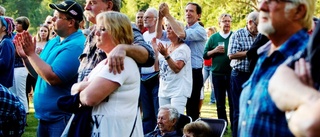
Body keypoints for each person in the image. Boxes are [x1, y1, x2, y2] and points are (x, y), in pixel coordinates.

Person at [238, 0, 316, 136]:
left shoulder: (310, 60)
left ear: (298, 11)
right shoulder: (263, 54)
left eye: (273, 1)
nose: (261, 6)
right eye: (262, 1)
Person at [14, 1, 85, 136]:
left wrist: (31, 54)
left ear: (71, 22)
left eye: (57, 16)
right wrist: (26, 58)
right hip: (46, 118)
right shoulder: (54, 41)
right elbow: (39, 73)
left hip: (61, 118)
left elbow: (53, 77)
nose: (52, 19)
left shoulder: (76, 45)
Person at [68, 11, 143, 137]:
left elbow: (89, 98)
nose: (96, 33)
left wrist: (82, 87)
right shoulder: (102, 64)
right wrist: (80, 87)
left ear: (117, 32)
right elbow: (74, 90)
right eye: (97, 29)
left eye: (102, 29)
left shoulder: (121, 63)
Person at [78, 0, 155, 82]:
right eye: (86, 3)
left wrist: (123, 48)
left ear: (109, 5)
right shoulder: (93, 32)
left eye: (92, 3)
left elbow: (148, 56)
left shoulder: (123, 28)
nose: (86, 7)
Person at [157, 2, 207, 121]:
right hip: (180, 75)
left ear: (198, 15)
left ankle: (192, 133)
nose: (188, 13)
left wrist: (168, 15)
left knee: (192, 110)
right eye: (186, 11)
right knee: (173, 113)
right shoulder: (181, 27)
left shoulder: (200, 30)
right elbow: (159, 34)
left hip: (194, 73)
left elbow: (180, 34)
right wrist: (160, 18)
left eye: (191, 11)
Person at [227, 11, 258, 137]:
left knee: (253, 108)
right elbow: (231, 55)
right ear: (250, 22)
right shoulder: (237, 35)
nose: (259, 28)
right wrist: (251, 52)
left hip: (254, 75)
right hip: (239, 75)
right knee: (238, 109)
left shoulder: (261, 35)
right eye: (258, 25)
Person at [203, 13, 233, 131]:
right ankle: (223, 126)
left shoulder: (234, 35)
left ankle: (234, 126)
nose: (227, 23)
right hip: (217, 74)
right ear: (219, 23)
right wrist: (214, 50)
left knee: (233, 102)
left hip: (232, 74)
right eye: (224, 21)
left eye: (229, 21)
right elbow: (205, 55)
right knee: (220, 104)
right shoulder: (213, 38)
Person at [155, 17, 192, 114]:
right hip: (164, 89)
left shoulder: (183, 48)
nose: (167, 29)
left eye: (171, 27)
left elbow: (177, 68)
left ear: (178, 31)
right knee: (163, 118)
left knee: (175, 120)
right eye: (167, 27)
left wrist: (166, 55)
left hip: (178, 90)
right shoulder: (167, 46)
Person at [140, 7, 161, 134]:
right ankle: (147, 133)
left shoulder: (160, 35)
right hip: (143, 75)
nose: (145, 19)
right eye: (144, 17)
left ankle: (158, 132)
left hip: (155, 75)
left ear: (156, 20)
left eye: (148, 17)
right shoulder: (143, 35)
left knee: (157, 107)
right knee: (146, 111)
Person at [25, 24, 50, 112]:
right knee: (27, 89)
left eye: (45, 31)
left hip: (42, 68)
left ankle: (41, 107)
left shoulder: (49, 43)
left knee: (38, 89)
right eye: (41, 31)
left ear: (48, 33)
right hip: (31, 68)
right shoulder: (34, 42)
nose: (43, 33)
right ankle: (27, 109)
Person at [10, 16, 30, 114]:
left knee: (20, 91)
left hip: (21, 67)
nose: (16, 25)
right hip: (13, 67)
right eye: (16, 23)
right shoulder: (13, 36)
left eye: (19, 23)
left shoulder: (25, 36)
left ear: (24, 25)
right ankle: (15, 112)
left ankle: (24, 112)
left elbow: (24, 52)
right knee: (13, 91)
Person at [202, 26, 217, 106]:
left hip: (212, 65)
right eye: (207, 32)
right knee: (201, 82)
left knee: (213, 84)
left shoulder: (213, 41)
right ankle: (200, 97)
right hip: (205, 65)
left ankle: (212, 100)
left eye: (209, 31)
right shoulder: (205, 41)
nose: (207, 33)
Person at [0, 16, 15, 88]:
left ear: (4, 28)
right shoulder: (4, 42)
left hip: (2, 83)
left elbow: (4, 63)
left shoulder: (6, 42)